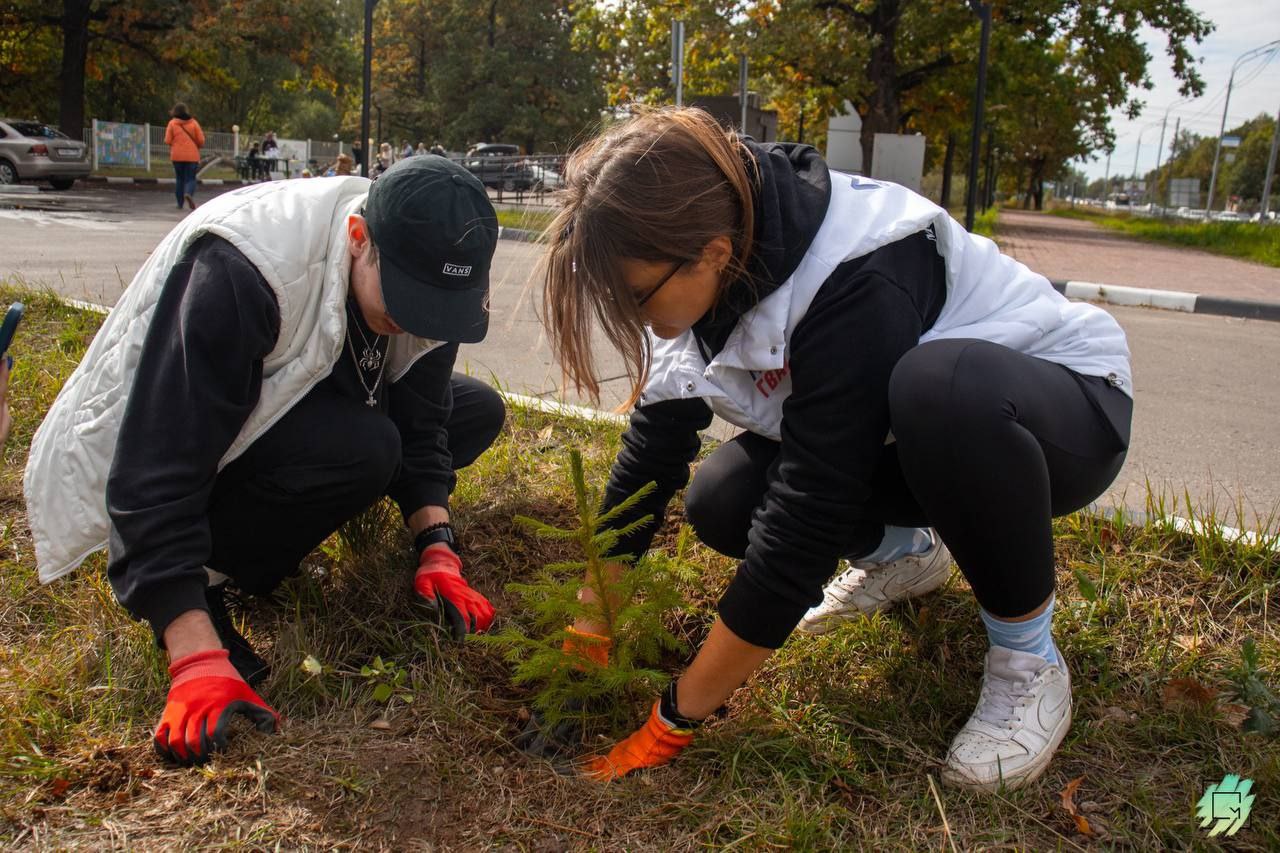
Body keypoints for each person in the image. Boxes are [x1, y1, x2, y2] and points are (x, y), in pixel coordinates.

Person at [537, 107, 1132, 791]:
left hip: (1061, 416)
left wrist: (674, 716)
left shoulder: (856, 272)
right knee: (725, 500)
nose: (632, 318)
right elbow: (649, 461)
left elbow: (807, 521)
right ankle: (906, 552)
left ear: (715, 255)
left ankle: (1028, 661)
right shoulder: (693, 238)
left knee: (939, 390)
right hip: (913, 440)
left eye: (637, 297)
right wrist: (588, 637)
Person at [24, 157, 505, 766]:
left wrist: (437, 544)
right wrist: (193, 649)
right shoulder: (245, 269)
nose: (417, 322)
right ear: (360, 239)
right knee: (367, 449)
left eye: (436, 308)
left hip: (301, 391)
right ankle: (206, 578)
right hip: (175, 435)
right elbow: (159, 459)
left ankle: (315, 495)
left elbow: (425, 417)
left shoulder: (427, 278)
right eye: (408, 301)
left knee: (476, 410)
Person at [164, 103, 205, 210]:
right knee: (190, 178)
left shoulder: (172, 123)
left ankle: (179, 203)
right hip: (192, 156)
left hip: (177, 156)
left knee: (179, 179)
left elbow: (167, 140)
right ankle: (188, 193)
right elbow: (201, 140)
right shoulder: (194, 123)